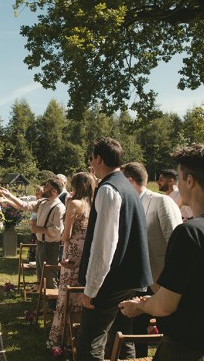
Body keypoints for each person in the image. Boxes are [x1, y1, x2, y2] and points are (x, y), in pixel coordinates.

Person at [119, 143, 204, 360]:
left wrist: (140, 307)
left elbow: (165, 305)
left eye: (180, 178)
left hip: (186, 351)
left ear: (189, 181)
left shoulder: (190, 234)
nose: (179, 184)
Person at [76, 137, 152, 361]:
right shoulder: (127, 186)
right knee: (122, 336)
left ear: (98, 158)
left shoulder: (109, 189)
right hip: (128, 280)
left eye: (91, 158)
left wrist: (91, 288)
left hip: (111, 281)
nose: (91, 163)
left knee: (90, 341)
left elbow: (104, 245)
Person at [49, 172, 96, 346]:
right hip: (86, 252)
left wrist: (62, 236)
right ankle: (78, 336)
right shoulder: (92, 204)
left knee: (66, 293)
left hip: (72, 251)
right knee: (80, 292)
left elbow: (66, 235)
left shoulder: (74, 203)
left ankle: (62, 338)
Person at [0, 177, 66, 291]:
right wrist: (10, 196)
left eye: (47, 187)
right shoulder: (43, 202)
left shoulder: (59, 207)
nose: (43, 189)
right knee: (40, 275)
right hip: (41, 244)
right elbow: (24, 205)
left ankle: (53, 304)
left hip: (50, 246)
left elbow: (57, 230)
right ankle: (43, 304)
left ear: (54, 191)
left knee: (49, 277)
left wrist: (38, 229)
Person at [122, 162, 182, 288]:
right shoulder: (126, 204)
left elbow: (175, 243)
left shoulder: (161, 201)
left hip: (159, 280)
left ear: (129, 181)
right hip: (133, 281)